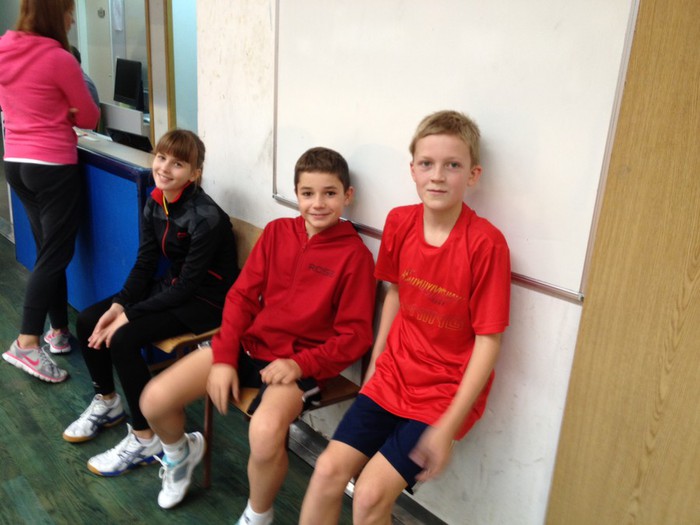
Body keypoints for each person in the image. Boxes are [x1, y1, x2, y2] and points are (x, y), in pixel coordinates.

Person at [139, 147, 376, 520]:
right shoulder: (278, 232)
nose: (318, 203)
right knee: (153, 400)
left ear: (347, 196)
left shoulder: (356, 257)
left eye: (329, 193)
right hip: (248, 347)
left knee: (264, 434)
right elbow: (242, 297)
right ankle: (179, 454)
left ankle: (258, 514)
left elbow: (355, 337)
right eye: (308, 193)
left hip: (298, 366)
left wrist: (300, 365)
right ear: (296, 194)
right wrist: (223, 359)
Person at [299, 110, 512, 524]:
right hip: (392, 375)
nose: (438, 176)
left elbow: (489, 341)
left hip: (444, 394)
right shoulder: (399, 222)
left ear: (473, 175)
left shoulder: (487, 244)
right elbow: (395, 293)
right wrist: (375, 365)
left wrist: (447, 427)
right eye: (427, 164)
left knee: (369, 495)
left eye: (453, 165)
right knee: (326, 471)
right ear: (412, 169)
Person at [63, 129, 239, 478]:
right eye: (161, 157)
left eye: (178, 163)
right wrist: (119, 306)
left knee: (123, 338)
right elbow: (145, 262)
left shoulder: (207, 217)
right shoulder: (155, 201)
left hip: (206, 301)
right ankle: (108, 402)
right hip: (174, 287)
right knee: (88, 320)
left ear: (195, 173)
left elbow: (189, 287)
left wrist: (128, 316)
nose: (165, 168)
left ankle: (145, 436)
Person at [0, 0, 100, 383]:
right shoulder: (59, 58)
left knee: (47, 252)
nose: (73, 18)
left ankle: (57, 331)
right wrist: (65, 111)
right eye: (70, 10)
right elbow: (89, 116)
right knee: (56, 254)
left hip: (16, 162)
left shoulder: (4, 48)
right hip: (52, 166)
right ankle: (27, 341)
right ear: (55, 13)